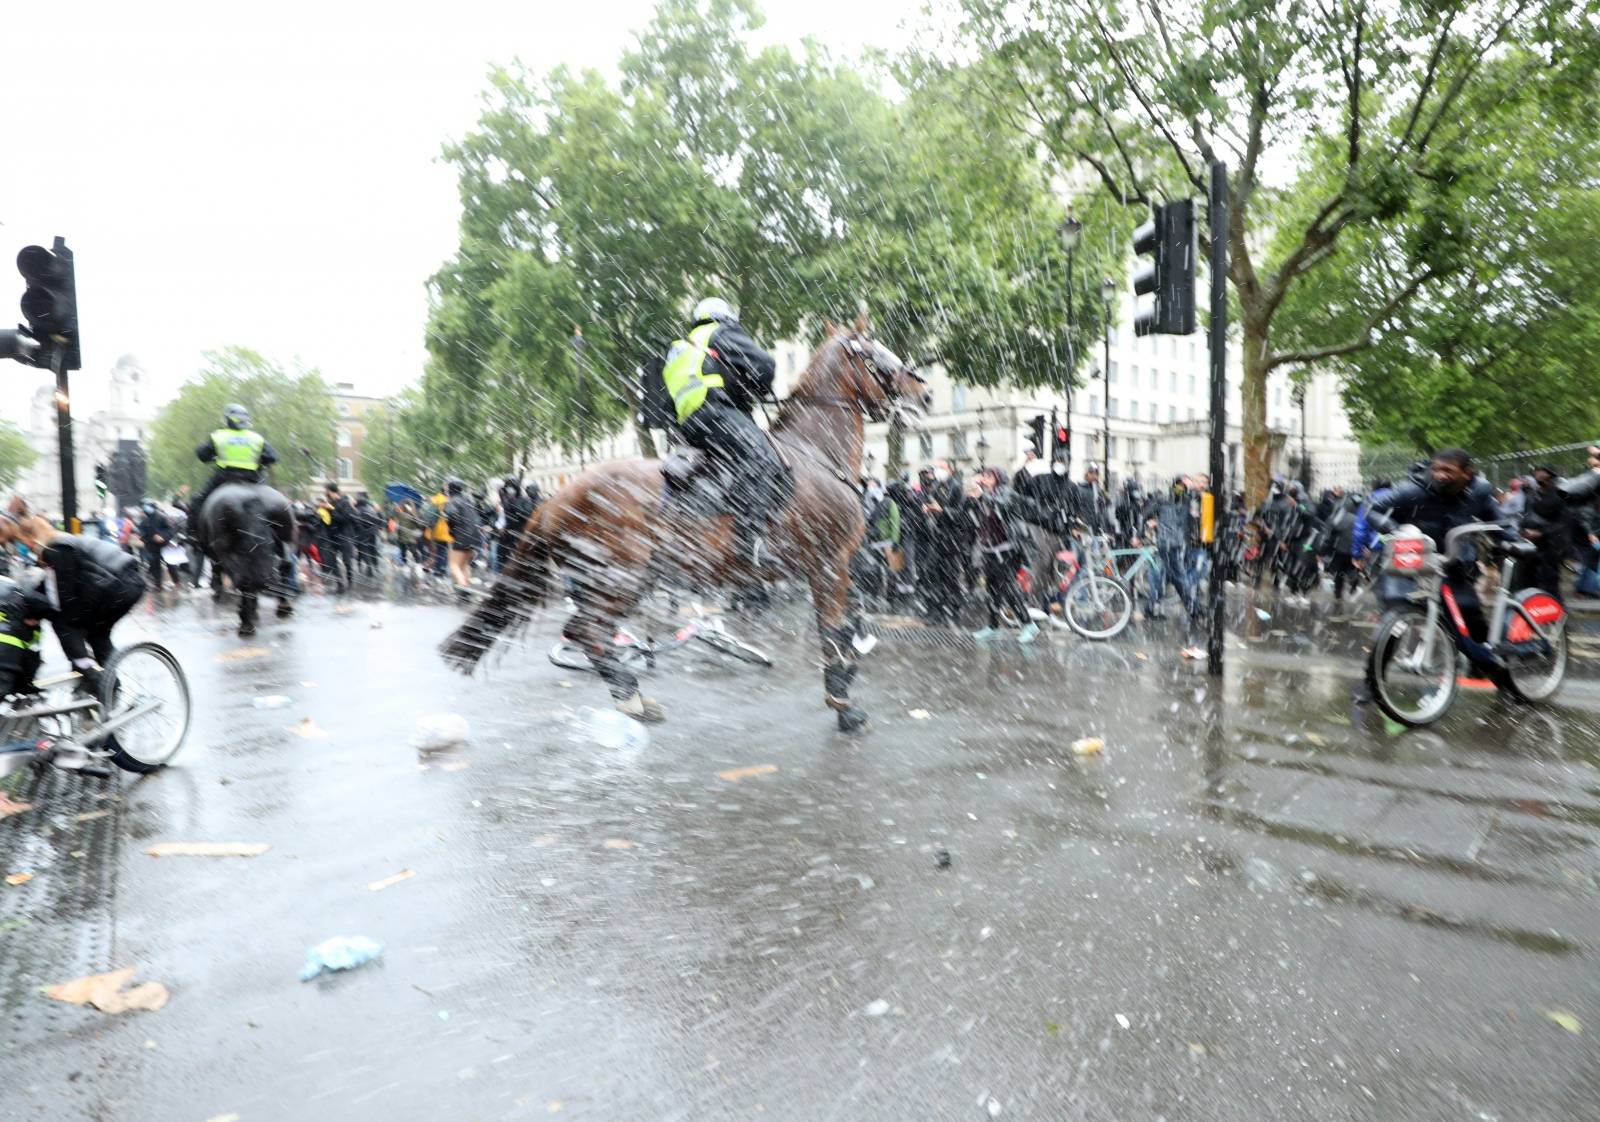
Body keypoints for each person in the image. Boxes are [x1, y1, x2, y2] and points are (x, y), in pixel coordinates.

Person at [1365, 448, 1510, 679]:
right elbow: (1373, 510)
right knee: (1395, 618)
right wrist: (1397, 530)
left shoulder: (1479, 493)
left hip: (1451, 565)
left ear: (1467, 474)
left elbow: (1499, 522)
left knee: (1469, 612)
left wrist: (1514, 542)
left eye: (1448, 470)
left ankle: (1491, 670)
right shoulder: (1411, 491)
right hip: (1411, 563)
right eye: (1437, 469)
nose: (1441, 475)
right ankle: (1372, 681)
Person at [661, 296, 780, 567]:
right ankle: (748, 542)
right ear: (726, 317)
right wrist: (757, 390)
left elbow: (668, 401)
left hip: (690, 425)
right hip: (715, 413)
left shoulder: (680, 349)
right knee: (762, 458)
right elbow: (764, 365)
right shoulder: (721, 333)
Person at [10, 513, 146, 693]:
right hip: (127, 582)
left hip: (119, 585)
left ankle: (91, 674)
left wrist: (36, 613)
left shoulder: (56, 549)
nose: (23, 547)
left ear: (31, 538)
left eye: (23, 541)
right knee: (97, 634)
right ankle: (111, 686)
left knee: (63, 621)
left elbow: (62, 598)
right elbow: (52, 588)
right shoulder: (61, 542)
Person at [962, 467, 1039, 642]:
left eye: (989, 476)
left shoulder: (1006, 493)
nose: (985, 478)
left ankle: (1028, 624)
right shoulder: (985, 495)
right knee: (992, 588)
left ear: (999, 479)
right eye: (985, 476)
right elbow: (967, 512)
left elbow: (1001, 506)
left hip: (1008, 550)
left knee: (1008, 588)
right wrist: (971, 495)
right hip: (989, 550)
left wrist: (982, 494)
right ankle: (993, 625)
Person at [191, 403, 278, 548]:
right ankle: (282, 545)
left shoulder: (219, 436)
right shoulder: (256, 438)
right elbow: (273, 457)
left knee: (198, 501)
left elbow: (203, 455)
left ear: (228, 420)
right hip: (254, 479)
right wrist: (259, 460)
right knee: (273, 506)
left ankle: (194, 536)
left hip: (224, 478)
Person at [916, 463, 965, 625]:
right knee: (933, 574)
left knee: (951, 577)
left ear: (950, 470)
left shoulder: (957, 487)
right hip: (938, 537)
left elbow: (960, 514)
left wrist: (943, 511)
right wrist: (929, 508)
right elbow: (935, 505)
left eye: (941, 467)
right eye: (937, 467)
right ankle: (935, 611)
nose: (938, 470)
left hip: (952, 539)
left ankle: (954, 612)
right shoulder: (938, 486)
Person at [1517, 466, 1576, 599]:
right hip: (1530, 545)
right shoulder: (1531, 495)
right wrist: (1522, 530)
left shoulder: (1560, 495)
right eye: (1536, 471)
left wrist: (1542, 533)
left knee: (1550, 582)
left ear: (1550, 475)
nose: (1537, 473)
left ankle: (1557, 611)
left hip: (1551, 546)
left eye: (1541, 471)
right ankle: (1530, 609)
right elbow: (1525, 516)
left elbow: (1563, 523)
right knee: (1526, 581)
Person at [1143, 477, 1197, 619]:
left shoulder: (1188, 502)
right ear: (1173, 484)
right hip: (1164, 544)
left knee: (1167, 576)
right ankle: (1191, 607)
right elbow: (1144, 515)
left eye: (1184, 485)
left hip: (1177, 545)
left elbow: (1191, 523)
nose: (1181, 488)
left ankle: (1152, 607)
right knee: (1175, 576)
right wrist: (1141, 532)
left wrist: (1191, 538)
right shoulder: (1162, 499)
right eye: (1179, 484)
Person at [442, 478, 483, 598]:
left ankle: (463, 589)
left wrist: (453, 531)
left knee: (453, 564)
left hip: (461, 535)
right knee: (464, 564)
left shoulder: (452, 502)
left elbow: (451, 517)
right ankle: (466, 586)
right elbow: (476, 517)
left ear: (450, 488)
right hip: (473, 536)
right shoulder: (467, 501)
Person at [496, 476, 536, 573]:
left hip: (520, 536)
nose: (509, 490)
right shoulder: (506, 500)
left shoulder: (525, 500)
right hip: (507, 537)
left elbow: (527, 515)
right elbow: (505, 516)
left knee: (521, 561)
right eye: (507, 486)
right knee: (502, 558)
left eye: (511, 486)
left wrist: (515, 505)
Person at [320, 484, 356, 592]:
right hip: (332, 537)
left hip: (345, 536)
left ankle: (349, 581)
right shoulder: (328, 503)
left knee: (347, 561)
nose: (326, 493)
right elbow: (327, 521)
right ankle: (340, 584)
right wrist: (322, 513)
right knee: (331, 561)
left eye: (327, 491)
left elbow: (345, 519)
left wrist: (332, 510)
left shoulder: (345, 502)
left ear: (331, 491)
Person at [138, 502, 173, 590]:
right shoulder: (144, 521)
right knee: (155, 565)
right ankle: (158, 585)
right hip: (151, 547)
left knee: (170, 564)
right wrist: (148, 538)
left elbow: (170, 530)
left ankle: (176, 582)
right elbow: (142, 534)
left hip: (163, 546)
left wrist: (162, 537)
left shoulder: (162, 517)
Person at [352, 495, 382, 578]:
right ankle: (375, 567)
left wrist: (361, 530)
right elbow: (378, 521)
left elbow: (356, 523)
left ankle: (369, 569)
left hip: (362, 535)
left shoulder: (358, 511)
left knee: (363, 551)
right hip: (372, 534)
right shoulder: (371, 510)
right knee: (372, 551)